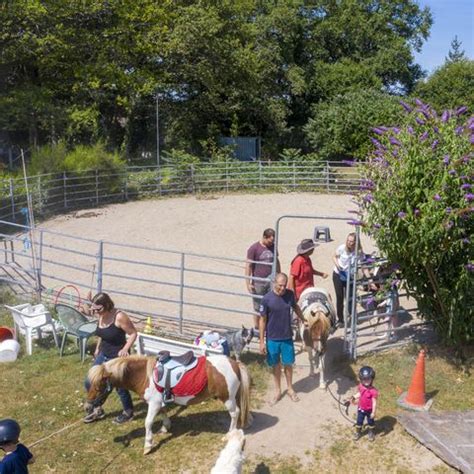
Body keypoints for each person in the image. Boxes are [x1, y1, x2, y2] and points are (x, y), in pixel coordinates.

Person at [83, 292, 138, 424]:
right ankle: (98, 408)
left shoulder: (119, 317)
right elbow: (102, 334)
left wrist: (125, 349)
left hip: (117, 357)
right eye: (94, 310)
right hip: (103, 353)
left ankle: (128, 412)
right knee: (89, 381)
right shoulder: (101, 315)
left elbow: (133, 333)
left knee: (120, 387)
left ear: (107, 305)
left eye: (98, 309)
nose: (96, 312)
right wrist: (97, 348)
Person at [258, 273, 305, 405]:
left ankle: (290, 388)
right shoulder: (266, 299)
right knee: (275, 366)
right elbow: (262, 320)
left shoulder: (290, 295)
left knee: (288, 364)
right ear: (274, 283)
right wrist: (262, 341)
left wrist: (303, 319)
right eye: (280, 286)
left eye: (284, 285)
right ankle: (278, 390)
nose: (283, 288)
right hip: (272, 338)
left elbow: (296, 307)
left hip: (287, 337)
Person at [332, 233, 374, 327]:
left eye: (352, 241)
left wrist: (370, 280)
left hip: (350, 277)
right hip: (338, 275)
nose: (349, 243)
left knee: (351, 297)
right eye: (348, 241)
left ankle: (352, 317)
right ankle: (341, 319)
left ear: (356, 242)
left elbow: (364, 267)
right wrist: (337, 265)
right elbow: (334, 256)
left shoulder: (359, 253)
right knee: (340, 297)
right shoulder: (342, 248)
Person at [245, 228, 280, 331]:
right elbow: (248, 266)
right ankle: (257, 328)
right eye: (269, 241)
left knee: (272, 304)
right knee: (257, 307)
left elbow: (276, 261)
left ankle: (268, 326)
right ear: (264, 237)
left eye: (272, 241)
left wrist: (279, 276)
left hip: (271, 281)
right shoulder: (254, 248)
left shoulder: (273, 247)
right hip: (258, 282)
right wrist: (248, 282)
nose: (271, 243)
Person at [346, 366, 378, 441]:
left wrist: (373, 412)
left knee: (371, 422)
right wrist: (353, 397)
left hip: (369, 411)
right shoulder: (361, 387)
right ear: (361, 379)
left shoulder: (373, 391)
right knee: (359, 421)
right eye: (364, 379)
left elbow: (374, 402)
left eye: (368, 379)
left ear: (372, 378)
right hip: (361, 409)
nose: (366, 381)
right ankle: (358, 432)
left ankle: (371, 432)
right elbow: (360, 394)